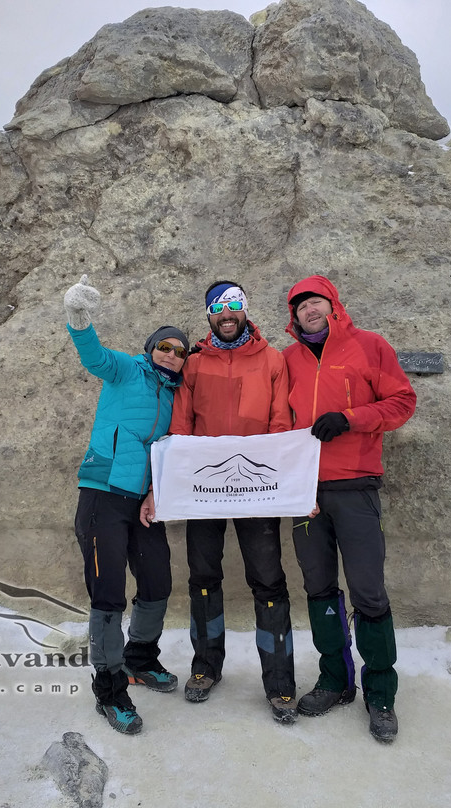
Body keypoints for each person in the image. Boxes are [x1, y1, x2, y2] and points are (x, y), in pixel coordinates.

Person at [141, 280, 298, 723]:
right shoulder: (193, 364)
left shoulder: (272, 360)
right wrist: (171, 484)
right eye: (217, 307)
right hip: (205, 489)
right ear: (209, 315)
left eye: (233, 305)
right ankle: (206, 667)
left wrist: (283, 485)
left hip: (257, 489)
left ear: (245, 309)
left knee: (268, 582)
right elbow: (181, 425)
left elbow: (280, 424)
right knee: (204, 578)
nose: (226, 314)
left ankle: (280, 683)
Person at [282, 274, 416, 743]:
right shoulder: (288, 359)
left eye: (315, 301)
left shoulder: (369, 346)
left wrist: (351, 418)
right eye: (300, 306)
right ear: (294, 316)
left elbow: (402, 402)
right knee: (318, 587)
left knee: (368, 591)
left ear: (333, 304)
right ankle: (335, 680)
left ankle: (381, 692)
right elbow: (277, 419)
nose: (309, 310)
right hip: (304, 493)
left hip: (355, 486)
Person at [64, 273, 189, 736]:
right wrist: (79, 318)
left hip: (142, 504)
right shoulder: (126, 370)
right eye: (164, 347)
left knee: (157, 581)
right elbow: (93, 356)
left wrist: (157, 490)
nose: (171, 355)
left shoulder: (175, 394)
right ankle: (110, 687)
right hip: (103, 496)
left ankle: (140, 657)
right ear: (151, 348)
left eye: (180, 351)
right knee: (109, 593)